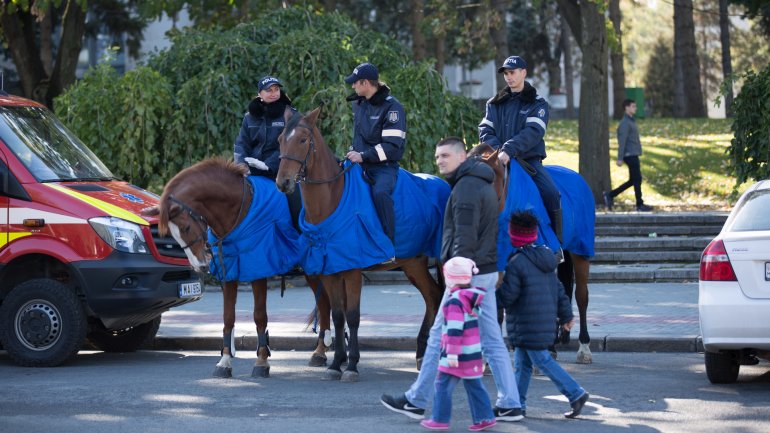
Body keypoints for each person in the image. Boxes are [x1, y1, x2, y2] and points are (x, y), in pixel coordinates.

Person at [380, 137, 524, 423]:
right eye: (437, 157)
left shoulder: (467, 187)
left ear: (462, 157)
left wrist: (459, 277)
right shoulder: (476, 182)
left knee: (437, 336)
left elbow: (465, 233)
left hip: (468, 275)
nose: (440, 161)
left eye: (445, 155)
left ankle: (417, 399)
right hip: (483, 270)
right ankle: (511, 403)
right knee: (493, 340)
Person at [497, 210, 590, 419]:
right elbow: (559, 290)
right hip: (541, 323)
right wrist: (567, 315)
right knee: (522, 364)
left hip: (527, 324)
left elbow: (508, 297)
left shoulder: (516, 263)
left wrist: (492, 297)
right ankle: (516, 404)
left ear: (514, 236)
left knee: (542, 360)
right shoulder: (547, 259)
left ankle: (576, 393)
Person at [478, 55, 563, 247]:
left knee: (551, 193)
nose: (509, 77)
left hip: (528, 162)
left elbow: (534, 132)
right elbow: (485, 130)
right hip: (497, 159)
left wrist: (509, 149)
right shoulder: (494, 103)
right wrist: (498, 151)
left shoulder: (538, 103)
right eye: (506, 73)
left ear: (523, 73)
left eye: (512, 72)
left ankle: (557, 243)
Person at [419, 256, 496, 432]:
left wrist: (451, 354)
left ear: (450, 279)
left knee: (442, 385)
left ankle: (439, 419)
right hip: (473, 354)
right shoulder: (471, 298)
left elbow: (454, 330)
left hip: (456, 356)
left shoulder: (454, 301)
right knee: (475, 387)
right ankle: (485, 417)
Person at [343, 62, 406, 245]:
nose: (353, 86)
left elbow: (392, 146)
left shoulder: (393, 107)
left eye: (355, 82)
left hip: (383, 167)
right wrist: (354, 152)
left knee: (380, 193)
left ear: (365, 83)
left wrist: (363, 155)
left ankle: (388, 244)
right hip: (359, 164)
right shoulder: (358, 103)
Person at [233, 75, 302, 229]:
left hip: (281, 171)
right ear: (260, 94)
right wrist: (241, 163)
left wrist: (268, 165)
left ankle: (298, 234)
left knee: (295, 204)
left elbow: (291, 146)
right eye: (268, 90)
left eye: (276, 89)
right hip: (251, 172)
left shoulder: (290, 115)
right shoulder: (249, 118)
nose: (273, 93)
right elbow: (241, 143)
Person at [603, 99, 653, 212]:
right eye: (633, 106)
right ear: (627, 108)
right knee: (637, 179)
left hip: (634, 154)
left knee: (633, 180)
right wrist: (620, 158)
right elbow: (622, 141)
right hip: (629, 155)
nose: (635, 108)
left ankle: (610, 195)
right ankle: (639, 204)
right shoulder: (625, 123)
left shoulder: (631, 121)